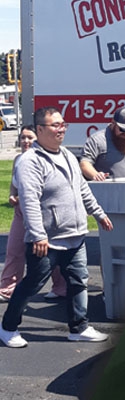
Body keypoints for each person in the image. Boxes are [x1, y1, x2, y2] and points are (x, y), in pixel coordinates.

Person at [0, 107, 114, 348]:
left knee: (78, 281)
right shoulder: (30, 162)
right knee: (33, 283)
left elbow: (82, 189)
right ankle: (8, 326)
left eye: (63, 124)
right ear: (40, 129)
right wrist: (38, 235)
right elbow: (29, 200)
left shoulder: (68, 156)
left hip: (75, 236)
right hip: (46, 240)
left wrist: (99, 213)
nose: (61, 129)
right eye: (55, 125)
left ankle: (79, 327)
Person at [0, 126, 67, 301]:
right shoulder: (18, 160)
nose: (26, 142)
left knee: (48, 252)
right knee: (14, 250)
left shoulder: (43, 160)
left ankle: (61, 287)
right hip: (21, 212)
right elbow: (14, 187)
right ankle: (8, 288)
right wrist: (12, 197)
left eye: (30, 137)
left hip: (42, 212)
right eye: (23, 138)